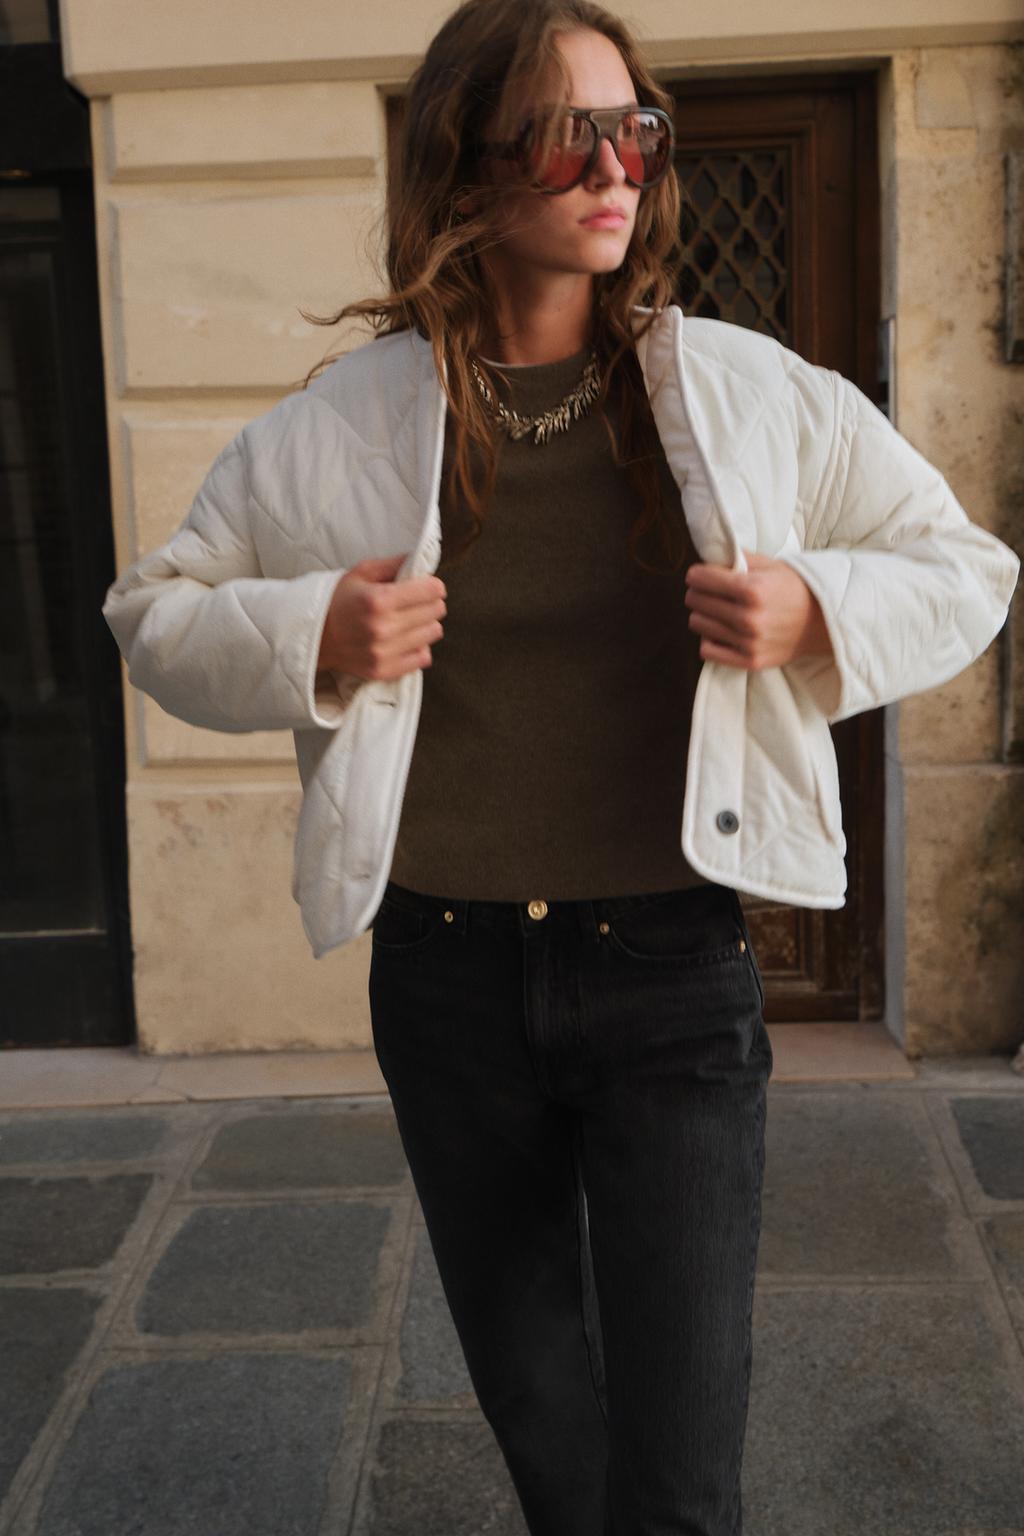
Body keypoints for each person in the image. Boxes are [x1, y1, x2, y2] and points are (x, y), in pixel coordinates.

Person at [101, 2, 1020, 1531]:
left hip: (672, 970)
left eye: (633, 132)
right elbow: (156, 611)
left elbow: (965, 566)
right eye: (563, 135)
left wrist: (815, 607)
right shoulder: (342, 425)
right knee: (542, 1425)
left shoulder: (740, 391)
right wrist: (313, 627)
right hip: (445, 974)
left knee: (682, 1459)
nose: (613, 170)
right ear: (464, 166)